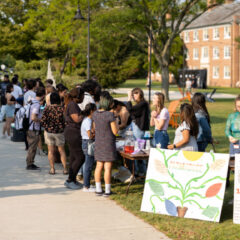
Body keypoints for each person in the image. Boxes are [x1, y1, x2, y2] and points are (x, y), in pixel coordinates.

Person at [92, 92, 118, 196]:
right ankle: (107, 190)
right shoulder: (110, 115)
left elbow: (94, 128)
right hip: (108, 143)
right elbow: (115, 131)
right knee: (107, 167)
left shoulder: (95, 114)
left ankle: (98, 189)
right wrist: (116, 122)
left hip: (98, 142)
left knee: (98, 166)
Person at [41, 92, 67, 175]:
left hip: (49, 132)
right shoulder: (62, 109)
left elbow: (43, 121)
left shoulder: (47, 109)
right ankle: (65, 169)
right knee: (62, 151)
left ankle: (52, 169)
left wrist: (47, 127)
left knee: (50, 151)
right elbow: (65, 121)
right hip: (59, 132)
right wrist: (62, 127)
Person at [64, 88, 85, 190]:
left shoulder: (72, 104)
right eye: (83, 96)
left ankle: (72, 179)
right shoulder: (72, 105)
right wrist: (85, 113)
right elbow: (76, 119)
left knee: (73, 157)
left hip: (73, 132)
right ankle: (69, 180)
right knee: (80, 157)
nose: (83, 98)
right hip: (73, 133)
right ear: (78, 96)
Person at [126, 88, 150, 176]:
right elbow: (133, 113)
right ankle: (137, 171)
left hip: (139, 129)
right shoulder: (140, 104)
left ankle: (141, 171)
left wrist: (129, 99)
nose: (134, 96)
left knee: (139, 150)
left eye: (135, 94)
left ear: (140, 94)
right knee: (137, 149)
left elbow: (130, 110)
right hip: (136, 128)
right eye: (133, 94)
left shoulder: (143, 104)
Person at [26, 87, 45, 170]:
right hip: (33, 128)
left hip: (29, 126)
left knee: (32, 146)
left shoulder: (31, 102)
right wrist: (41, 120)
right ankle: (30, 164)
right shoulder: (36, 104)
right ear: (43, 95)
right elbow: (33, 117)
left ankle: (30, 162)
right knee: (33, 147)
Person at [81, 103, 97, 192]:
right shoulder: (87, 121)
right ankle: (86, 186)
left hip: (87, 142)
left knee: (87, 163)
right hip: (88, 143)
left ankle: (87, 184)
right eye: (95, 110)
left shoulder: (89, 120)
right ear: (91, 111)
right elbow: (90, 135)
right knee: (88, 165)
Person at [225, 95, 240, 187]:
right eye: (238, 106)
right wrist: (230, 136)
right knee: (233, 167)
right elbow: (227, 129)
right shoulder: (231, 116)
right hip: (234, 145)